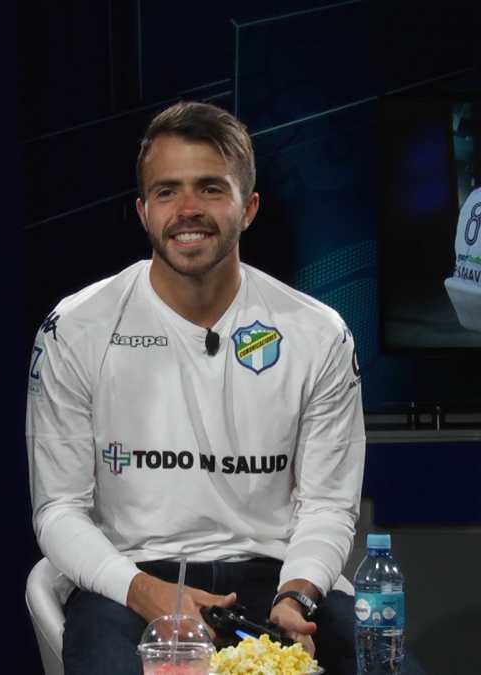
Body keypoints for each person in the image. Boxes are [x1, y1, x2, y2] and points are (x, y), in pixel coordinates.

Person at [26, 101, 380, 675]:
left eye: (211, 189)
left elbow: (328, 507)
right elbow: (58, 511)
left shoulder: (319, 334)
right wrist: (147, 593)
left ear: (249, 207)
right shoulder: (76, 328)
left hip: (274, 579)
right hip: (131, 583)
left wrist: (298, 594)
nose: (188, 209)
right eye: (167, 191)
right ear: (143, 211)